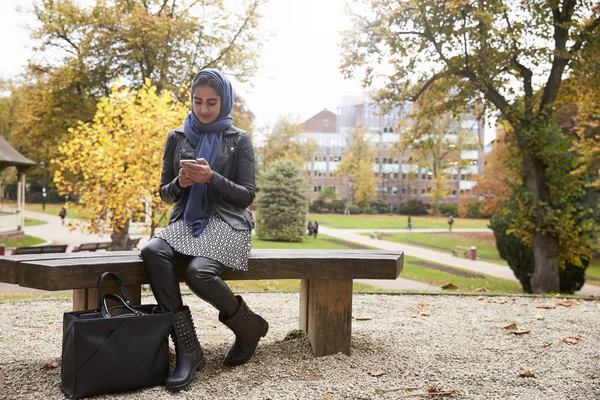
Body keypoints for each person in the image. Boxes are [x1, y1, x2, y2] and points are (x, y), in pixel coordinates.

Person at [141, 69, 267, 392]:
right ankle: (188, 348)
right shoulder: (177, 137)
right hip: (187, 221)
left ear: (224, 101)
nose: (204, 109)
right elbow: (165, 194)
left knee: (199, 272)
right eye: (198, 101)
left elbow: (247, 195)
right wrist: (181, 183)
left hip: (228, 221)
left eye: (212, 102)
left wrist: (212, 178)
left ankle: (248, 327)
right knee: (152, 249)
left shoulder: (239, 140)